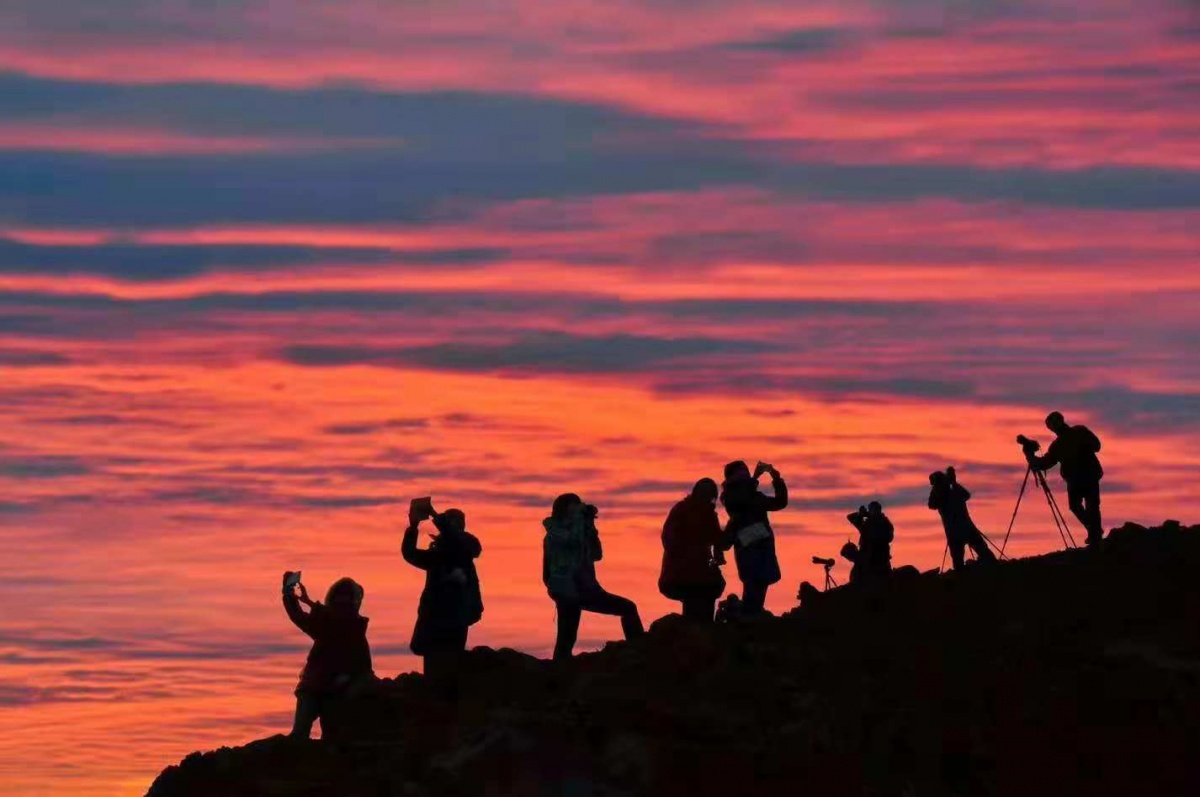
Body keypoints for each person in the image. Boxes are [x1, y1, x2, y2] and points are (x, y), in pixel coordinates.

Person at [543, 493, 644, 660]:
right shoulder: (555, 533)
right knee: (566, 639)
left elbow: (597, 554)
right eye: (575, 506)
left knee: (628, 608)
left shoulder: (581, 530)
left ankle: (639, 651)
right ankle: (559, 669)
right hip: (566, 591)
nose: (579, 508)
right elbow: (570, 542)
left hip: (586, 588)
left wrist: (589, 526)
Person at [282, 573, 373, 739]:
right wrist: (290, 594)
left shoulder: (350, 627)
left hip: (335, 691)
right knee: (302, 734)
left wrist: (298, 597)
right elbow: (299, 616)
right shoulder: (328, 623)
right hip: (316, 687)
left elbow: (364, 669)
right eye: (339, 599)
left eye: (346, 600)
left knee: (328, 737)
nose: (342, 604)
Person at [401, 501, 483, 686]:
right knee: (433, 663)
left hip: (456, 615)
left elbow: (459, 541)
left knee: (452, 663)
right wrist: (413, 526)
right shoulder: (438, 555)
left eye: (454, 522)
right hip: (435, 616)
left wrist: (435, 515)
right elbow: (410, 554)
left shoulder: (467, 546)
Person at [718, 460, 788, 614]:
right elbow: (743, 501)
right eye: (741, 472)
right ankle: (745, 617)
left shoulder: (751, 495)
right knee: (753, 587)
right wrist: (756, 477)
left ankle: (749, 616)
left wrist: (776, 479)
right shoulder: (735, 496)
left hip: (760, 547)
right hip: (750, 548)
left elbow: (780, 503)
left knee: (759, 586)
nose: (745, 474)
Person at [1027, 411, 1105, 546]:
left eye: (1053, 424)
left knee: (1087, 506)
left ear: (1060, 421)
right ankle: (1095, 533)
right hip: (1082, 477)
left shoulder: (1073, 435)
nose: (1053, 427)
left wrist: (1030, 456)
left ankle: (1095, 534)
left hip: (1084, 476)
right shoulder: (1067, 439)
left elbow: (1096, 446)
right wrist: (1030, 456)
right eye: (1050, 425)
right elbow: (1045, 463)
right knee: (1082, 506)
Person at [659, 478, 726, 622]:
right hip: (684, 571)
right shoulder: (683, 510)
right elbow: (669, 539)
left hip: (696, 570)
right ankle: (698, 627)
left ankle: (702, 626)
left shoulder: (707, 514)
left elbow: (718, 540)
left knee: (710, 589)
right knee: (699, 592)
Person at [929, 467, 997, 570]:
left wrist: (952, 484)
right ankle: (993, 568)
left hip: (957, 531)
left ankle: (990, 568)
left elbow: (966, 495)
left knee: (962, 560)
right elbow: (966, 495)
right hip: (964, 529)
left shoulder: (948, 493)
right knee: (981, 553)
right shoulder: (948, 493)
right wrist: (952, 483)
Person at [846, 502, 893, 582]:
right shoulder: (867, 524)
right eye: (872, 510)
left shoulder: (883, 523)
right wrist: (862, 514)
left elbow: (889, 538)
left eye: (875, 510)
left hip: (879, 559)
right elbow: (850, 517)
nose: (874, 512)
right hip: (868, 559)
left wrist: (866, 515)